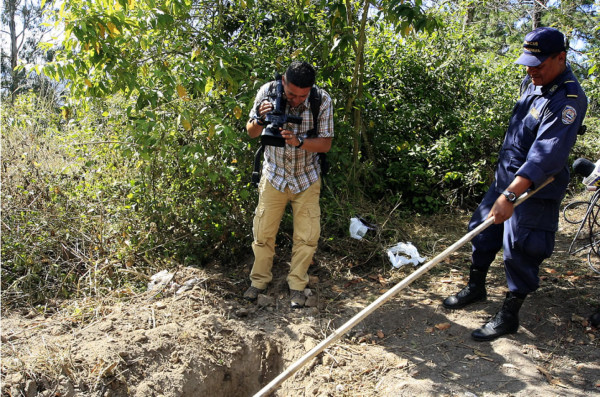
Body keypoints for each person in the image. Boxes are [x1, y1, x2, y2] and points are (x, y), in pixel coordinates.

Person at [442, 27, 588, 341]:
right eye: (527, 63)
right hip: (505, 179)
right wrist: (503, 187)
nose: (530, 70)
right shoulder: (531, 82)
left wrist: (511, 194)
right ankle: (476, 287)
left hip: (532, 190)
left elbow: (545, 155)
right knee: (480, 231)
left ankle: (509, 315)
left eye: (538, 64)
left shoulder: (568, 100)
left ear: (561, 57)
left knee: (521, 249)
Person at [244, 61, 334, 308]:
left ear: (310, 90)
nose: (295, 99)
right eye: (291, 93)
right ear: (283, 81)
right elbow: (251, 131)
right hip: (274, 175)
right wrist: (262, 119)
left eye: (301, 95)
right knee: (262, 233)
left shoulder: (321, 100)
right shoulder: (267, 91)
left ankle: (297, 285)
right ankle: (258, 282)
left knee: (306, 237)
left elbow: (325, 143)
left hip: (306, 177)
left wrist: (299, 141)